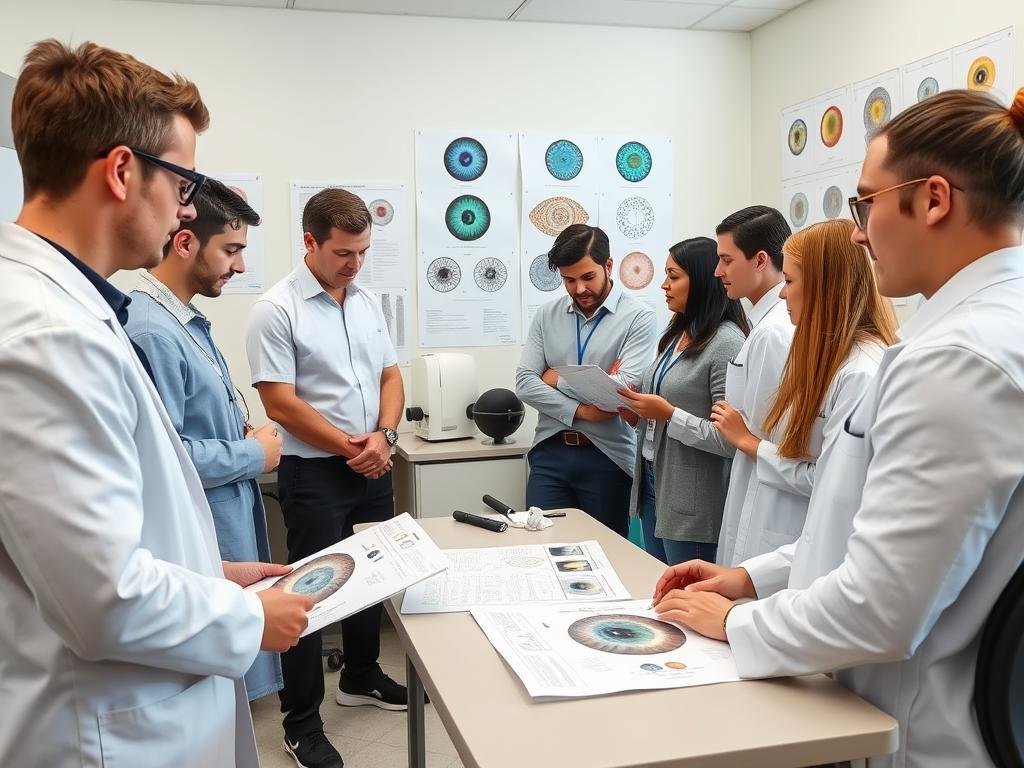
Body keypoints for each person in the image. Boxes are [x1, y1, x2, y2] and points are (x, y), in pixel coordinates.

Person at [653, 88, 1024, 768]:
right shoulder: (975, 335)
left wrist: (738, 623)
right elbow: (869, 526)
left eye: (865, 203)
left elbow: (883, 605)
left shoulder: (960, 361)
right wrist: (752, 578)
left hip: (922, 733)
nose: (857, 233)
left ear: (934, 199)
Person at [0, 40, 310, 768]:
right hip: (105, 734)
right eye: (182, 180)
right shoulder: (44, 334)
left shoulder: (76, 310)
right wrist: (244, 614)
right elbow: (101, 597)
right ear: (120, 171)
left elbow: (98, 540)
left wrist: (207, 569)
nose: (186, 206)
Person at [246, 187, 406, 768]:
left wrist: (383, 437)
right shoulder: (276, 308)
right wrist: (350, 447)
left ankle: (360, 676)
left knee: (370, 578)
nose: (354, 263)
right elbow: (280, 404)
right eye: (343, 252)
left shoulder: (365, 302)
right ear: (310, 242)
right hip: (314, 474)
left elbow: (391, 376)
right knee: (311, 597)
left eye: (362, 251)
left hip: (373, 462)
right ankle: (302, 722)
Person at [125, 178, 285, 702]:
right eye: (232, 250)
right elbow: (163, 459)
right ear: (186, 242)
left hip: (226, 515)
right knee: (211, 688)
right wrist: (252, 453)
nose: (239, 266)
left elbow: (190, 424)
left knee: (229, 693)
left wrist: (237, 430)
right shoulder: (152, 330)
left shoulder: (184, 320)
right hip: (203, 523)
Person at [708, 217, 896, 584]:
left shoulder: (859, 373)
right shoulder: (837, 361)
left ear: (826, 287)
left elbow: (828, 486)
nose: (781, 293)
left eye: (790, 281)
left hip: (807, 556)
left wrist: (751, 444)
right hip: (792, 550)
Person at [515, 224, 658, 538]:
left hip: (608, 455)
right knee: (543, 549)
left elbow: (622, 390)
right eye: (569, 280)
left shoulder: (639, 317)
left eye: (587, 277)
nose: (579, 289)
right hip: (549, 450)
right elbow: (524, 383)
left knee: (606, 558)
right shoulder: (546, 315)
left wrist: (555, 377)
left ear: (608, 266)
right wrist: (584, 409)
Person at [617, 237, 748, 564]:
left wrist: (668, 415)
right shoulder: (678, 334)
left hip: (694, 500)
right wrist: (637, 416)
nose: (664, 285)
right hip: (653, 482)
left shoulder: (727, 342)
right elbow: (663, 408)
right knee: (661, 589)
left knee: (686, 598)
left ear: (702, 280)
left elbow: (729, 440)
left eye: (674, 276)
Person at [697, 206, 796, 565]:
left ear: (760, 260)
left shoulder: (774, 333)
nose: (717, 271)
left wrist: (736, 431)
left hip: (768, 501)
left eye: (726, 259)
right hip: (756, 487)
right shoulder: (764, 325)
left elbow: (766, 436)